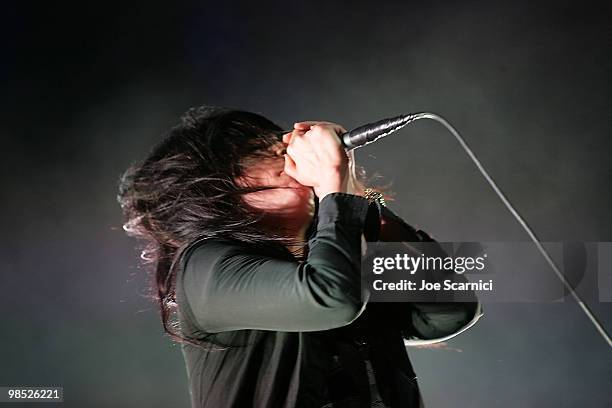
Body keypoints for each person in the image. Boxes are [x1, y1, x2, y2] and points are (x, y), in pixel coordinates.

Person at [117, 106, 483, 408]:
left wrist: (355, 197)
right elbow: (329, 297)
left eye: (275, 143)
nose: (284, 154)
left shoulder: (340, 255)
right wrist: (335, 190)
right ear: (215, 189)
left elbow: (451, 308)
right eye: (256, 150)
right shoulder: (203, 268)